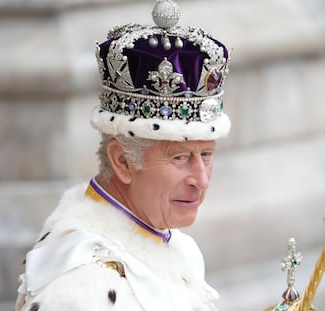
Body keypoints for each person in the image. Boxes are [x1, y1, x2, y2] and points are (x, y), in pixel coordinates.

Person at [15, 0, 231, 310]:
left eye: (206, 154)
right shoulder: (84, 289)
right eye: (180, 157)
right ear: (123, 161)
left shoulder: (167, 240)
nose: (202, 179)